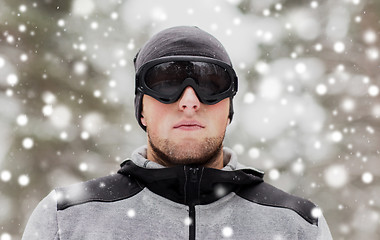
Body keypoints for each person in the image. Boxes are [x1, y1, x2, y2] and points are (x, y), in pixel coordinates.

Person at [22, 26, 332, 240]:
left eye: (211, 84)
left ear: (229, 109)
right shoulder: (67, 220)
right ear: (141, 109)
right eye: (166, 83)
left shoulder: (298, 225)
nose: (189, 101)